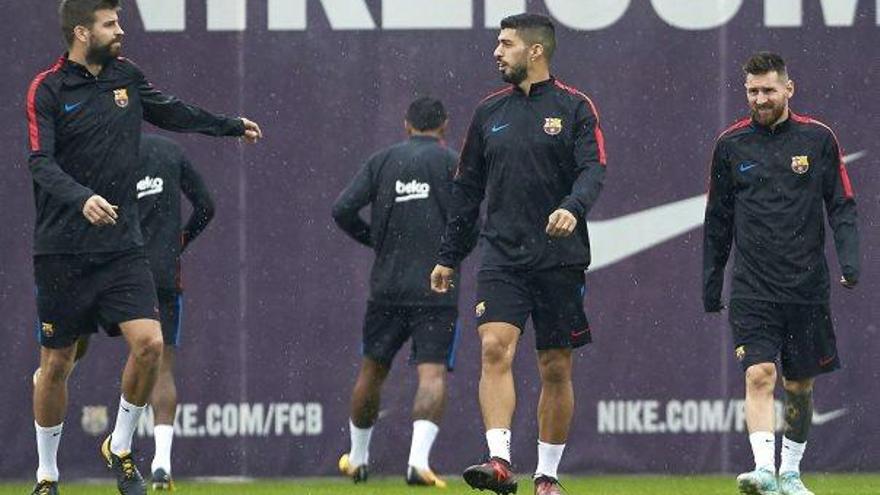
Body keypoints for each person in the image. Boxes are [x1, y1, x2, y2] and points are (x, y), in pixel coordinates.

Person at [25, 1, 262, 494]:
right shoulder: (47, 88)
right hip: (62, 250)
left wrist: (229, 125)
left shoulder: (126, 76)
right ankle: (48, 475)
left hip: (121, 246)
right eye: (110, 23)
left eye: (119, 20)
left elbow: (173, 111)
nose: (121, 30)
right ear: (81, 32)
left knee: (151, 345)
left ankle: (121, 446)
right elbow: (40, 164)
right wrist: (82, 197)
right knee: (56, 365)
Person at [431, 13, 607, 495]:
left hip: (559, 258)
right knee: (493, 348)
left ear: (535, 51)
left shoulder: (575, 108)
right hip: (502, 256)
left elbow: (593, 170)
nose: (496, 51)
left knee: (555, 366)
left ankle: (547, 476)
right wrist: (448, 255)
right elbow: (467, 190)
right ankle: (500, 461)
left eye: (506, 43)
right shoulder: (489, 113)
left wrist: (573, 206)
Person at [703, 52, 859, 495]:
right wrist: (711, 284)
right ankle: (763, 472)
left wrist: (849, 260)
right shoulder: (730, 146)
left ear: (789, 89)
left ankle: (790, 472)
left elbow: (842, 206)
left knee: (799, 387)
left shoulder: (818, 139)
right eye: (752, 91)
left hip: (806, 286)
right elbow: (717, 220)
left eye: (768, 90)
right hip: (753, 287)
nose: (760, 98)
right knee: (759, 375)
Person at [332, 97, 477, 488]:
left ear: (407, 125)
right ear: (445, 126)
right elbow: (471, 222)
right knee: (430, 374)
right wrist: (452, 256)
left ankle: (358, 459)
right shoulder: (453, 164)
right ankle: (418, 463)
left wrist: (375, 239)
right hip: (437, 286)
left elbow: (342, 209)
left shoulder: (383, 161)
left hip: (388, 288)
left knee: (372, 370)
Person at [138, 134, 216, 490]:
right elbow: (206, 206)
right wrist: (180, 239)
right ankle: (161, 463)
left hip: (119, 272)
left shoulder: (104, 149)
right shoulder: (169, 151)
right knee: (162, 366)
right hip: (164, 273)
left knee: (74, 347)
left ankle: (123, 450)